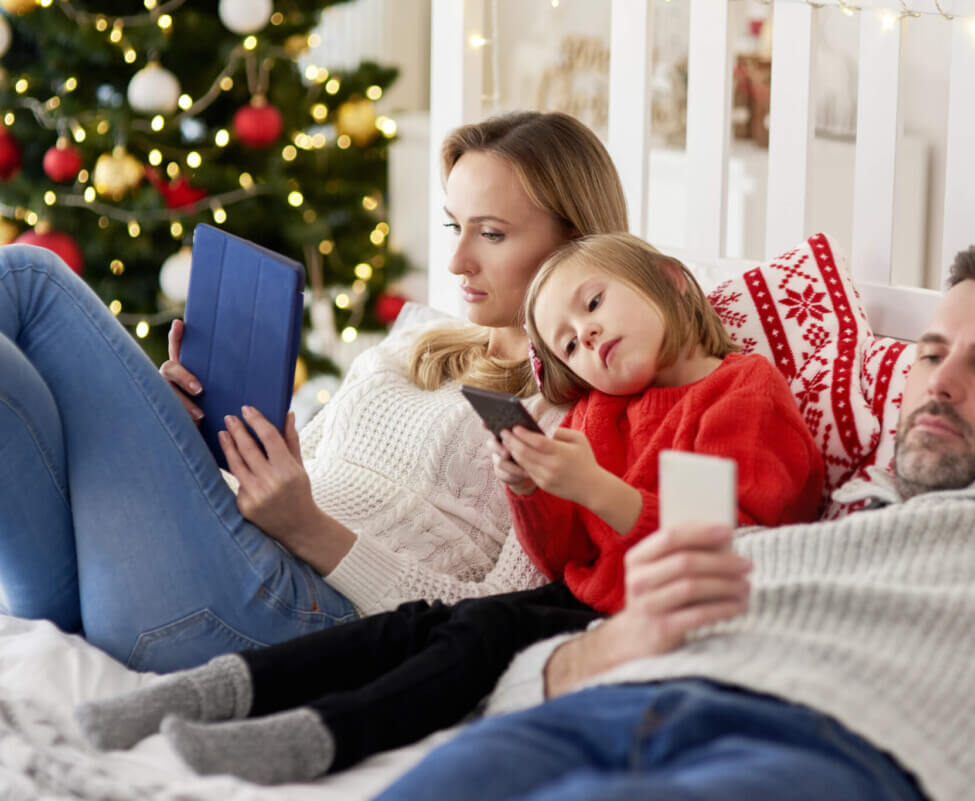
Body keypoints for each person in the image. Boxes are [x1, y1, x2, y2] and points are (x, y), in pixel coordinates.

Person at [368, 245, 975, 801]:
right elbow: (529, 679)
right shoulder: (834, 516)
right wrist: (611, 647)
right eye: (930, 352)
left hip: (827, 757)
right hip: (609, 705)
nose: (940, 383)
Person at [72, 232, 826, 784]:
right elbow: (564, 553)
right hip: (587, 594)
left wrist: (597, 488)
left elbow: (726, 540)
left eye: (594, 304)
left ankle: (313, 739)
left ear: (673, 281)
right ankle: (205, 690)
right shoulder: (602, 408)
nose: (587, 335)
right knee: (412, 625)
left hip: (657, 611)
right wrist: (530, 488)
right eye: (568, 343)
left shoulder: (740, 389)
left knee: (476, 636)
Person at [0, 111, 627, 673]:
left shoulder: (581, 416)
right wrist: (183, 430)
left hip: (294, 611)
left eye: (491, 234)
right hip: (213, 559)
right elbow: (298, 472)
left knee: (28, 277)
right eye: (453, 225)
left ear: (575, 243)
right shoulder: (419, 341)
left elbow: (498, 616)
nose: (457, 261)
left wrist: (307, 529)